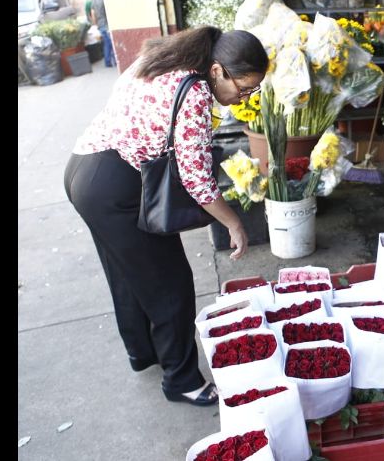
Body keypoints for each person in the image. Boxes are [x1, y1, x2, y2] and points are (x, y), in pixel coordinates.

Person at [64, 27, 267, 406]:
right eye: (244, 88)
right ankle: (182, 381)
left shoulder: (164, 58)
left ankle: (146, 354)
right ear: (219, 70)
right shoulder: (193, 91)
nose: (243, 99)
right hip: (116, 187)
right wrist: (234, 223)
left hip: (85, 169)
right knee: (170, 284)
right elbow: (198, 182)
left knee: (129, 274)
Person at [90, 0, 115, 67]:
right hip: (107, 24)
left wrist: (96, 25)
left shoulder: (94, 0)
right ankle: (116, 61)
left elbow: (93, 14)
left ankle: (107, 62)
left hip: (100, 25)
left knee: (106, 44)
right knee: (112, 43)